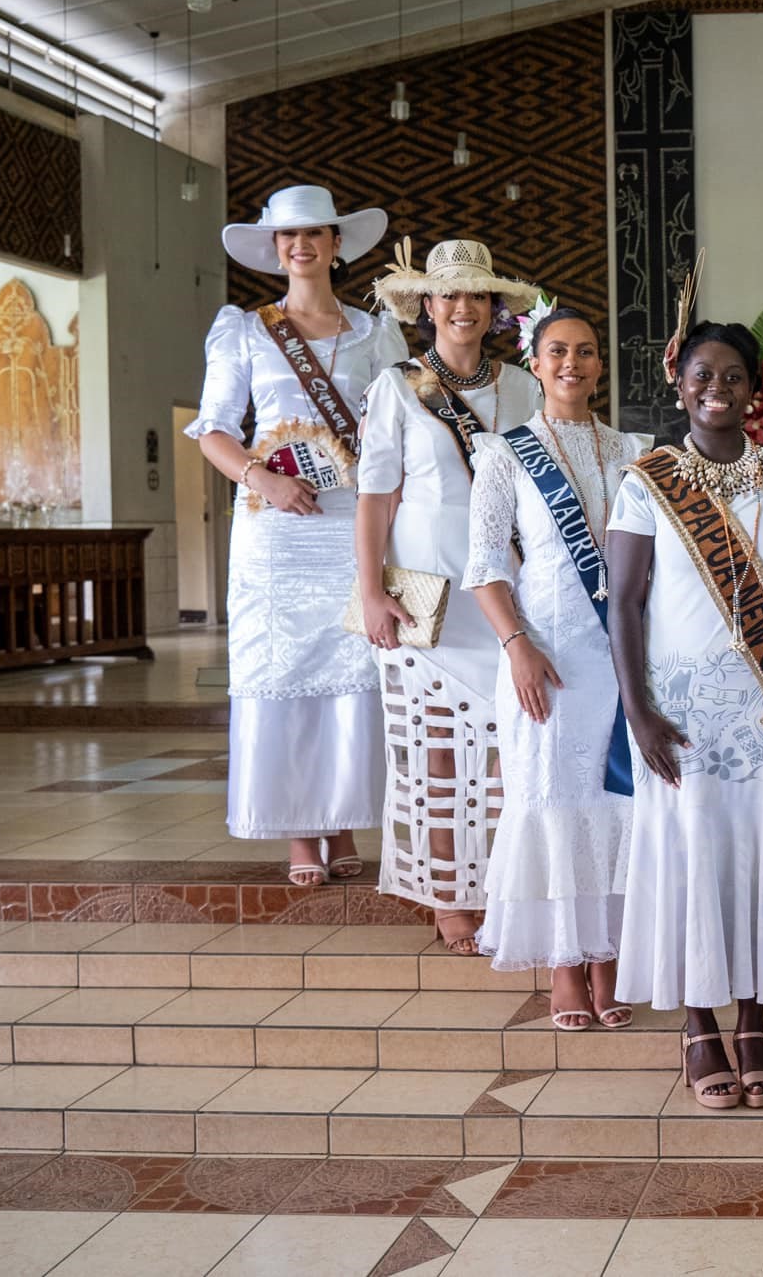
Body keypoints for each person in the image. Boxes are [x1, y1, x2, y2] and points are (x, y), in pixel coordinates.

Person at [606, 322, 763, 1112]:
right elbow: (626, 604)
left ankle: (755, 1020)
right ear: (681, 383)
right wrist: (638, 711)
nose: (717, 390)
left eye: (733, 376)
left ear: (753, 388)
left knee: (761, 857)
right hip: (682, 714)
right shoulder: (648, 481)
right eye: (704, 375)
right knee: (695, 856)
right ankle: (699, 1022)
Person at [188, 185, 402, 885]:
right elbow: (213, 430)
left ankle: (340, 820)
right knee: (283, 672)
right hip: (276, 528)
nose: (300, 246)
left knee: (349, 670)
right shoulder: (244, 329)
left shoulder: (377, 333)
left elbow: (401, 426)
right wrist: (263, 479)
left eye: (314, 233)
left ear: (337, 244)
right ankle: (299, 836)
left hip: (353, 521)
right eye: (287, 237)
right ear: (274, 249)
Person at [464, 304, 651, 1026]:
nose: (571, 363)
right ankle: (566, 968)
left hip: (620, 658)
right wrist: (517, 647)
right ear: (534, 364)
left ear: (600, 365)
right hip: (546, 659)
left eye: (585, 352)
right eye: (557, 352)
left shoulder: (631, 449)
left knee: (613, 806)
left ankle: (609, 955)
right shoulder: (505, 453)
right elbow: (483, 566)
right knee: (553, 804)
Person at [357, 240, 541, 953]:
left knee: (506, 753)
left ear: (495, 309)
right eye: (448, 296)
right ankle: (446, 895)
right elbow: (377, 498)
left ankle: (500, 886)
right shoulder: (397, 388)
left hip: (507, 590)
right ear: (426, 307)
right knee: (435, 754)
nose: (462, 308)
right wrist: (369, 590)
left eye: (476, 296)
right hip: (424, 594)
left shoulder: (524, 387)